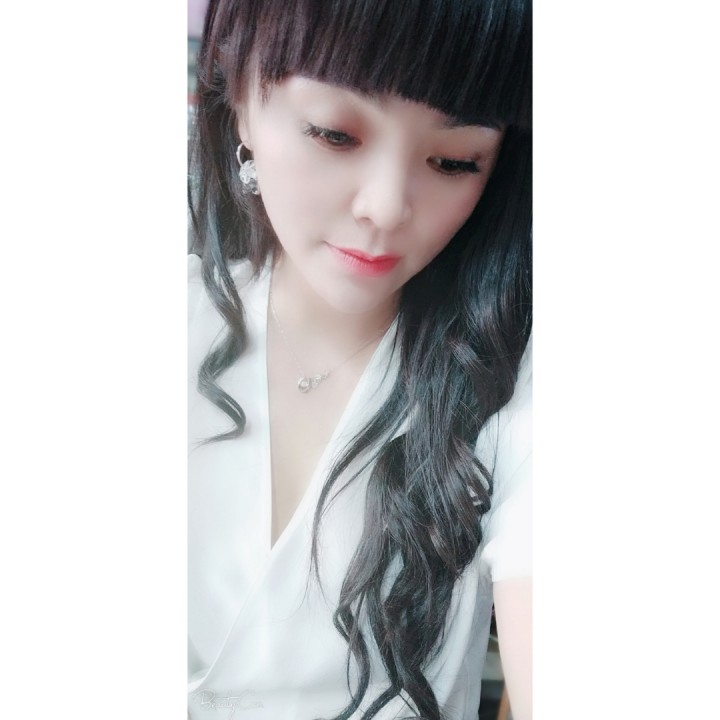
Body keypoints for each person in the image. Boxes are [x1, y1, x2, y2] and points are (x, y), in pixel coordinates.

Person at [187, 0, 532, 718]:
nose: (385, 205)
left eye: (454, 161)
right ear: (241, 98)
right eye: (334, 134)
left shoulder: (512, 377)